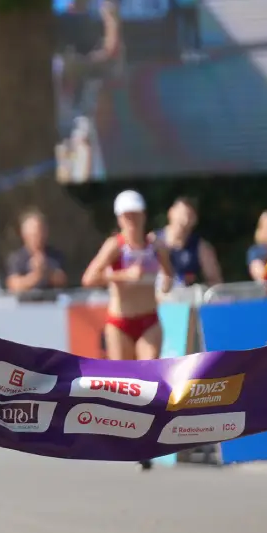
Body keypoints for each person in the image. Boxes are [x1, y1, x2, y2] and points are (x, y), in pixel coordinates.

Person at [81, 190, 174, 470]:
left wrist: (167, 283)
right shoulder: (115, 245)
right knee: (125, 383)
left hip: (148, 320)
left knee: (149, 377)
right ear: (120, 218)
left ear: (143, 216)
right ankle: (125, 436)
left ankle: (145, 443)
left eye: (135, 215)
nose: (131, 220)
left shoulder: (155, 246)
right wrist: (122, 276)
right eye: (126, 216)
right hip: (119, 323)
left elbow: (169, 273)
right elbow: (90, 277)